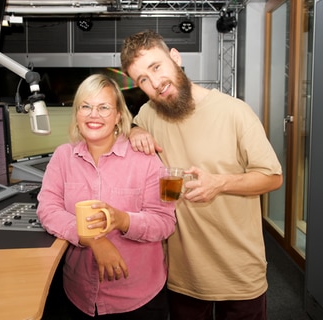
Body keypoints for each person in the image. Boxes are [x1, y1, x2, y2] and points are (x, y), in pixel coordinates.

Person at [120, 30, 283, 320]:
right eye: (143, 79)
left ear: (175, 57)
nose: (155, 83)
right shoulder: (149, 115)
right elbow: (128, 127)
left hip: (239, 271)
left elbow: (272, 177)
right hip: (185, 275)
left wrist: (221, 182)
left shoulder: (236, 112)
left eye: (156, 67)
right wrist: (135, 130)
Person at [36, 73, 176, 319]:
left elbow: (165, 222)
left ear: (118, 115)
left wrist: (122, 220)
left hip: (138, 298)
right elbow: (48, 209)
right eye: (86, 107)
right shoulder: (62, 157)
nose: (93, 115)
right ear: (77, 113)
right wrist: (93, 239)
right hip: (78, 293)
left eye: (103, 107)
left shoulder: (147, 160)